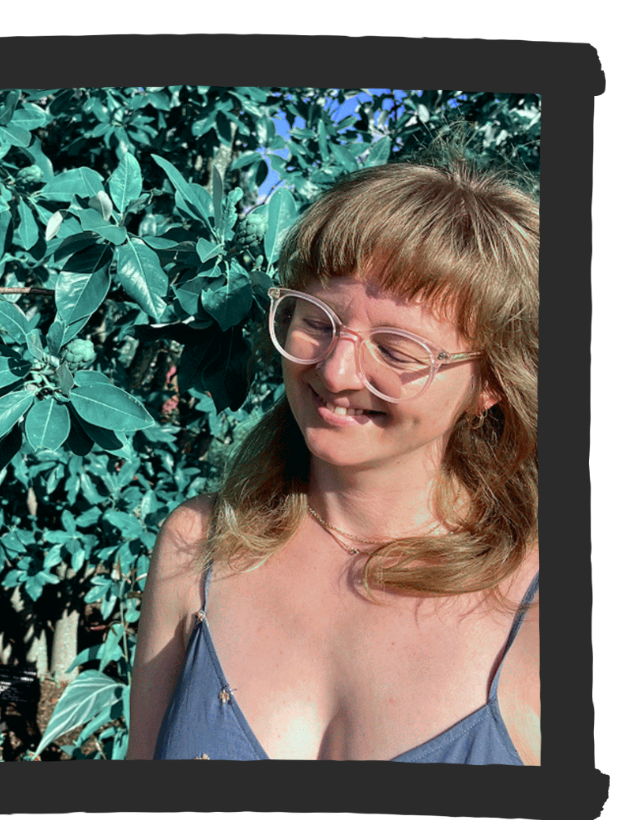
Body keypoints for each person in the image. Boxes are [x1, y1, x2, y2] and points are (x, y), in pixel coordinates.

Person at [127, 150, 540, 763]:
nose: (335, 369)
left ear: (491, 385)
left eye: (398, 350)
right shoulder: (199, 543)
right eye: (317, 320)